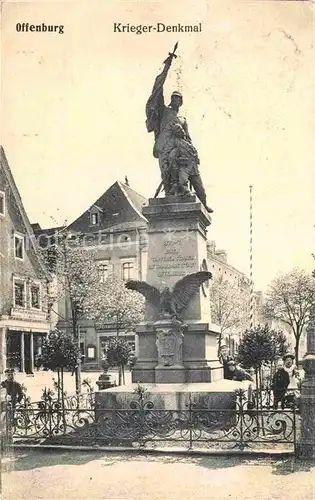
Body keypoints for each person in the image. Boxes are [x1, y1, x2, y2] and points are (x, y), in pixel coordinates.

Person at [146, 48, 213, 213]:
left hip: (181, 150)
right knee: (167, 176)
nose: (175, 100)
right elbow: (157, 90)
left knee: (186, 175)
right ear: (171, 99)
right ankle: (173, 196)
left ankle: (197, 200)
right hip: (165, 148)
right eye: (173, 97)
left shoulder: (183, 119)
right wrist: (167, 67)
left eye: (178, 98)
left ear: (181, 102)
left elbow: (188, 138)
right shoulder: (163, 111)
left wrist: (191, 151)